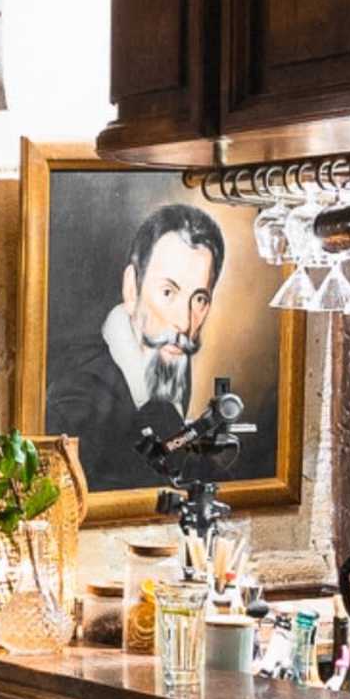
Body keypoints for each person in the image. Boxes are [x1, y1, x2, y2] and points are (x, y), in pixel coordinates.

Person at [57, 196, 235, 494]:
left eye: (200, 299)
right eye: (168, 292)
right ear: (131, 288)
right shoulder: (80, 396)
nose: (184, 322)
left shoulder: (165, 373)